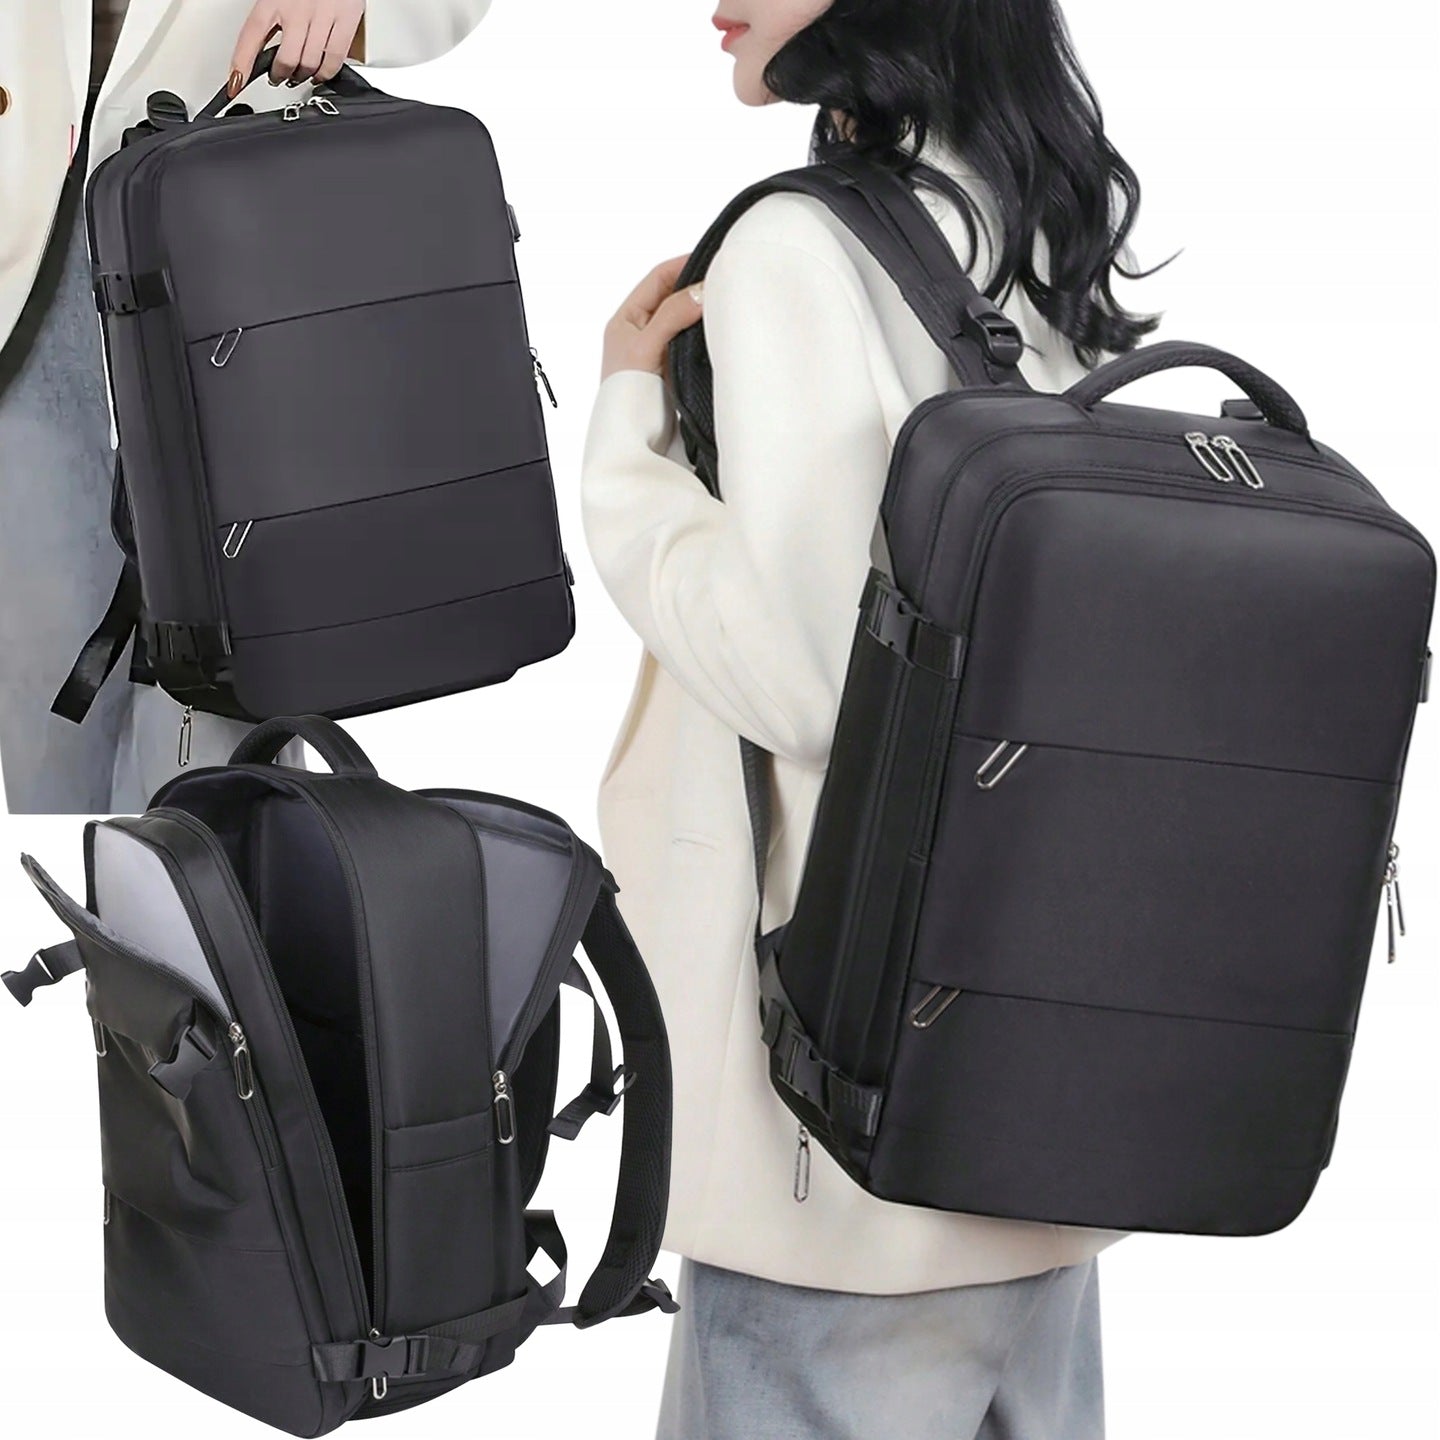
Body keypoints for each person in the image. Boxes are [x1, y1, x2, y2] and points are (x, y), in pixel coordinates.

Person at [581, 3, 1166, 1436]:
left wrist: (629, 439)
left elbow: (801, 676)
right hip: (1033, 1130)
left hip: (835, 1163)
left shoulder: (797, 248)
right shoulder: (1033, 224)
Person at [0, 0, 492, 814]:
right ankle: (87, 896)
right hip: (25, 249)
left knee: (221, 709)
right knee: (45, 717)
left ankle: (210, 892)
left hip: (229, 226)